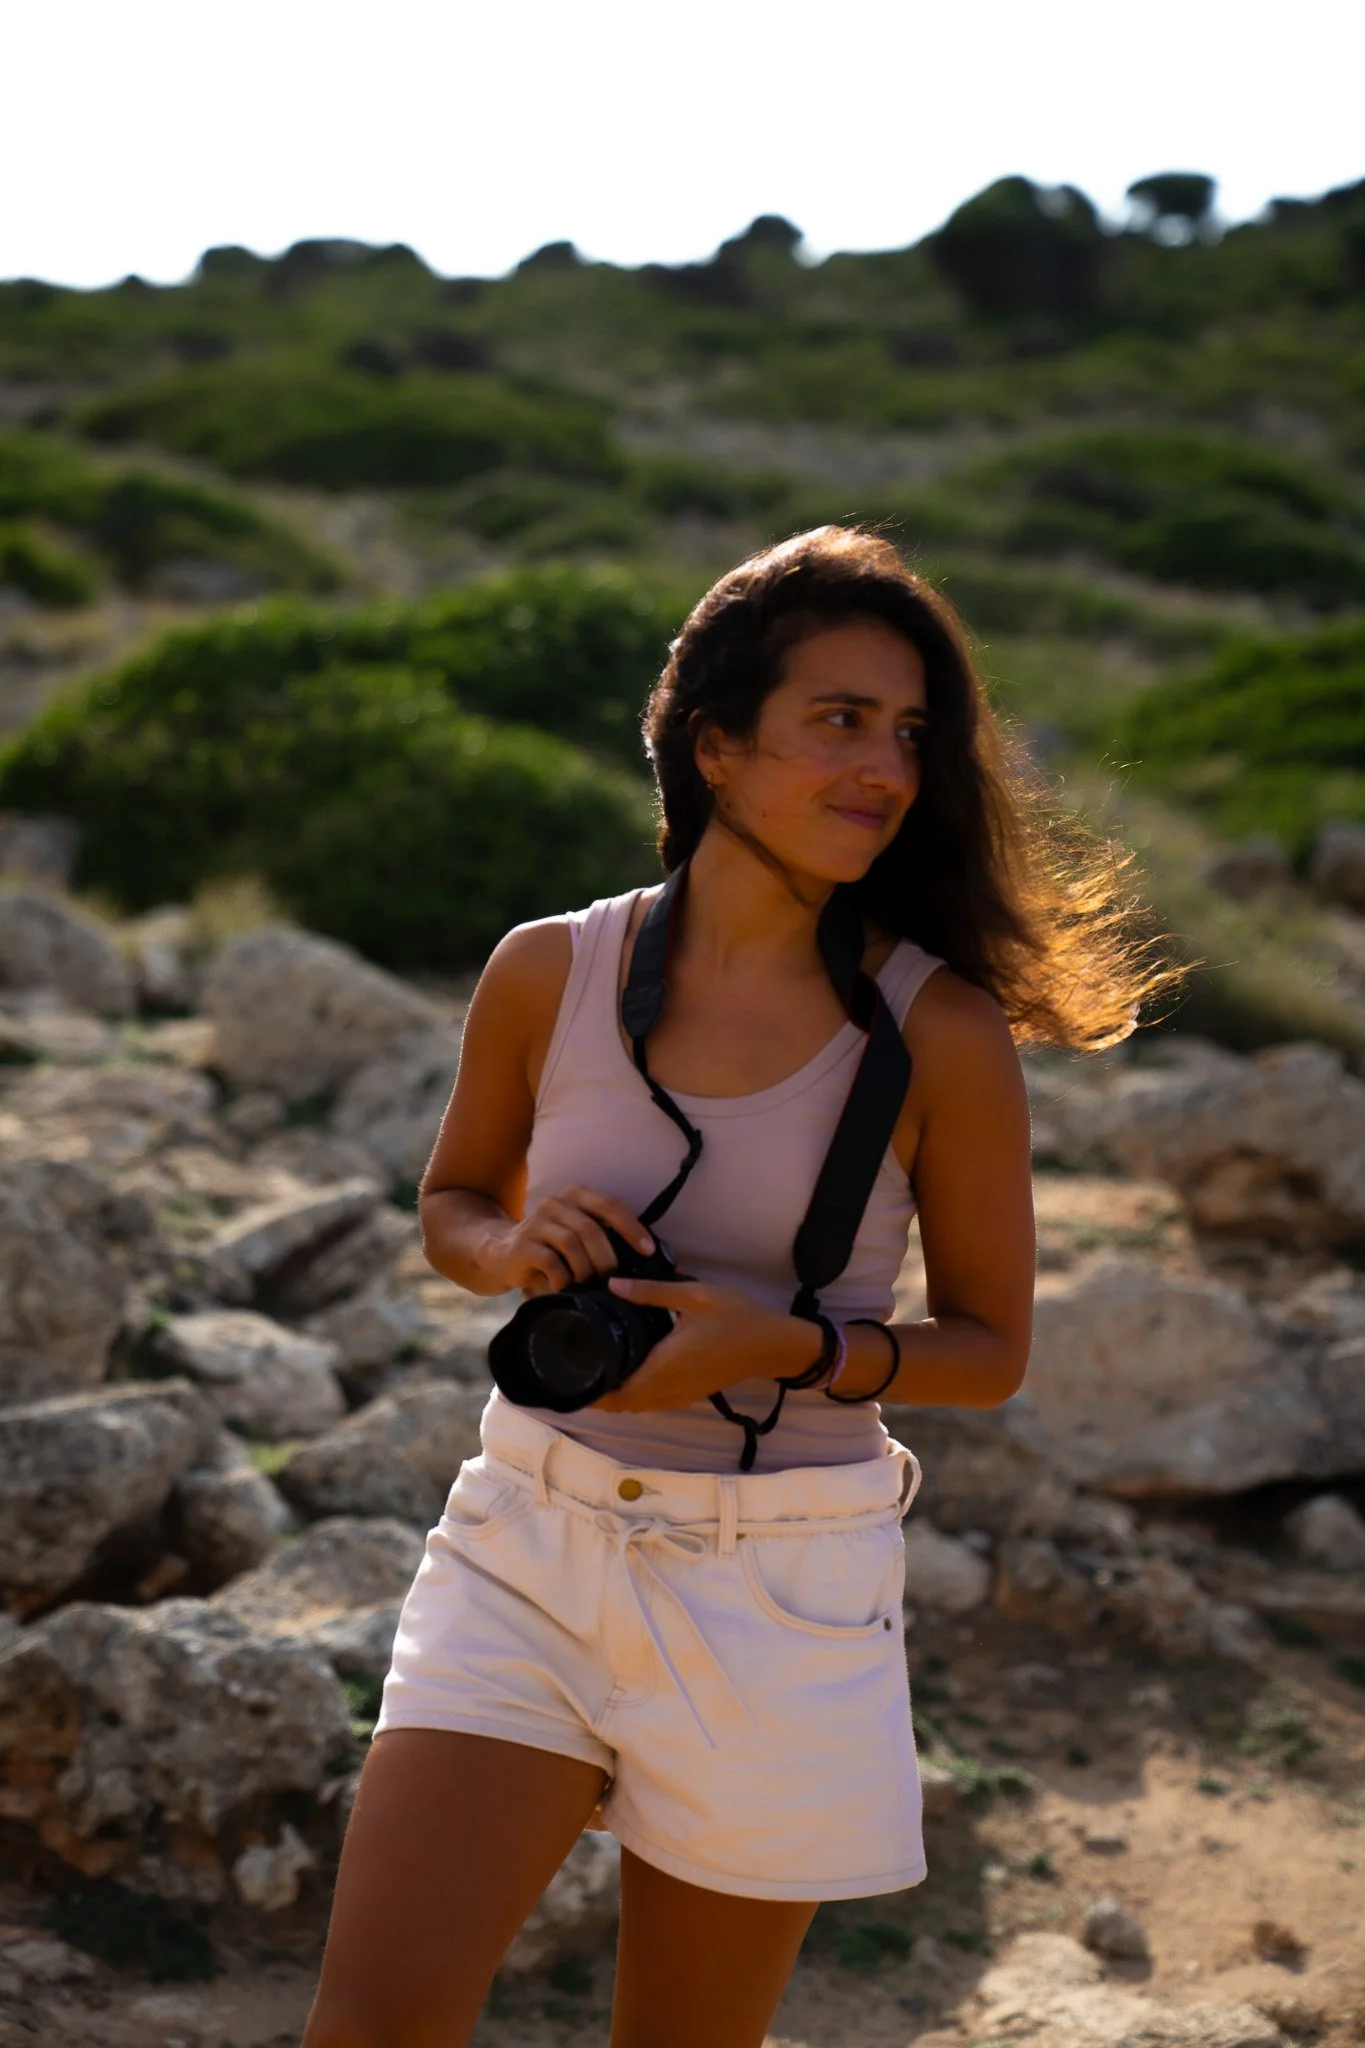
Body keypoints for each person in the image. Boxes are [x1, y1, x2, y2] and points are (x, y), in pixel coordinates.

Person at [303, 526, 1169, 2048]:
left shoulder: (938, 1032)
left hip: (785, 1580)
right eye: (839, 720)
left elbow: (989, 1352)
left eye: (910, 734)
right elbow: (450, 1204)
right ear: (714, 745)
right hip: (534, 1537)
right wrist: (509, 1254)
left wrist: (783, 1347)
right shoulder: (547, 972)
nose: (887, 767)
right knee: (373, 2027)